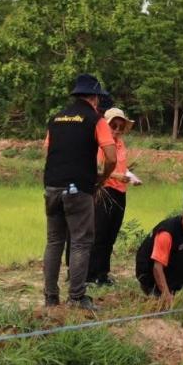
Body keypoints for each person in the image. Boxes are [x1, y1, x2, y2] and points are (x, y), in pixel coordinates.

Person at [42, 74, 117, 312]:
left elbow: (48, 152)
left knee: (54, 241)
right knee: (81, 243)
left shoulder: (56, 119)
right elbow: (112, 157)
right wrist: (101, 179)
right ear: (95, 97)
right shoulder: (96, 120)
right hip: (79, 189)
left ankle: (51, 297)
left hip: (52, 186)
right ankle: (76, 297)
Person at [88, 107, 140, 287]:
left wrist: (131, 177)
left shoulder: (120, 144)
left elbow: (121, 167)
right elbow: (99, 169)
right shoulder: (102, 144)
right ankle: (91, 274)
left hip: (120, 192)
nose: (117, 130)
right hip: (105, 191)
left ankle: (103, 273)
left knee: (111, 235)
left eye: (120, 126)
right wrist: (117, 176)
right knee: (99, 234)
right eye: (114, 126)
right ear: (107, 125)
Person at [135, 204, 183, 307]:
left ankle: (175, 288)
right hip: (148, 272)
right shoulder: (167, 233)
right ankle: (159, 291)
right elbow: (157, 267)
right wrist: (166, 295)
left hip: (168, 263)